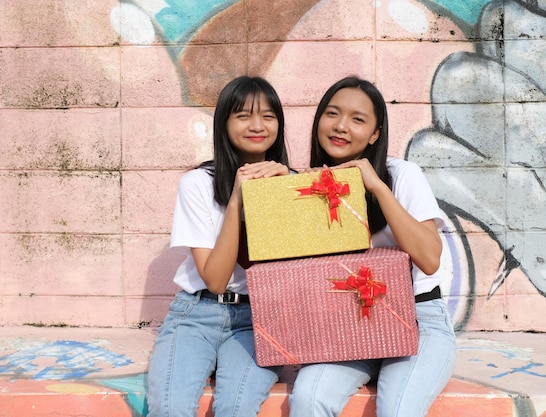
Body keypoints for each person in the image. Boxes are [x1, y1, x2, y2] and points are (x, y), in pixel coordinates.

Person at [288, 76, 456, 417]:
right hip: (347, 324)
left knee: (398, 410)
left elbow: (429, 259)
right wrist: (276, 192)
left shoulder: (402, 175)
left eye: (358, 119)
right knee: (308, 397)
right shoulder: (304, 188)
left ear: (376, 134)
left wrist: (377, 187)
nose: (341, 127)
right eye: (332, 114)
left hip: (418, 319)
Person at [146, 76, 291, 417]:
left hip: (260, 319)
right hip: (196, 315)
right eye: (243, 115)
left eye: (268, 116)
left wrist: (286, 197)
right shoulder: (197, 184)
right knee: (170, 409)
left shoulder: (292, 183)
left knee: (236, 409)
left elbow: (296, 271)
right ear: (224, 124)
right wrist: (239, 198)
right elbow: (215, 278)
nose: (257, 125)